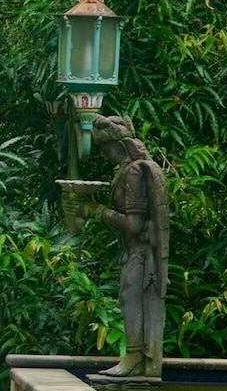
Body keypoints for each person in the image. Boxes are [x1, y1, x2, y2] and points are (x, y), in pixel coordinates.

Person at [69, 116, 170, 379]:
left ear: (119, 146)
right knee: (127, 298)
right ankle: (134, 356)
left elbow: (134, 224)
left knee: (131, 298)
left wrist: (98, 211)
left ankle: (136, 356)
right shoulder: (127, 170)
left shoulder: (134, 172)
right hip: (132, 250)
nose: (104, 155)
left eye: (105, 149)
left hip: (141, 251)